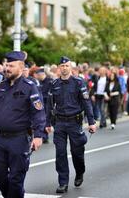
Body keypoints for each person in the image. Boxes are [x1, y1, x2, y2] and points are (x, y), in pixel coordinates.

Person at [0, 51, 45, 198]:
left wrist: (39, 135)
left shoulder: (30, 86)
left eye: (11, 65)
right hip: (0, 139)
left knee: (16, 179)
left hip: (19, 139)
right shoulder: (0, 85)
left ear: (21, 67)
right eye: (6, 65)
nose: (7, 68)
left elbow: (38, 112)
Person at [46, 56, 96, 193]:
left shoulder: (78, 82)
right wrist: (47, 123)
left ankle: (79, 172)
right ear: (58, 68)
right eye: (62, 66)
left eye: (66, 66)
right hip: (60, 123)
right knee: (60, 153)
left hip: (75, 122)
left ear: (70, 68)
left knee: (77, 152)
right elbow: (49, 105)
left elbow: (86, 103)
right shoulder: (54, 83)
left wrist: (91, 122)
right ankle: (63, 182)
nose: (64, 68)